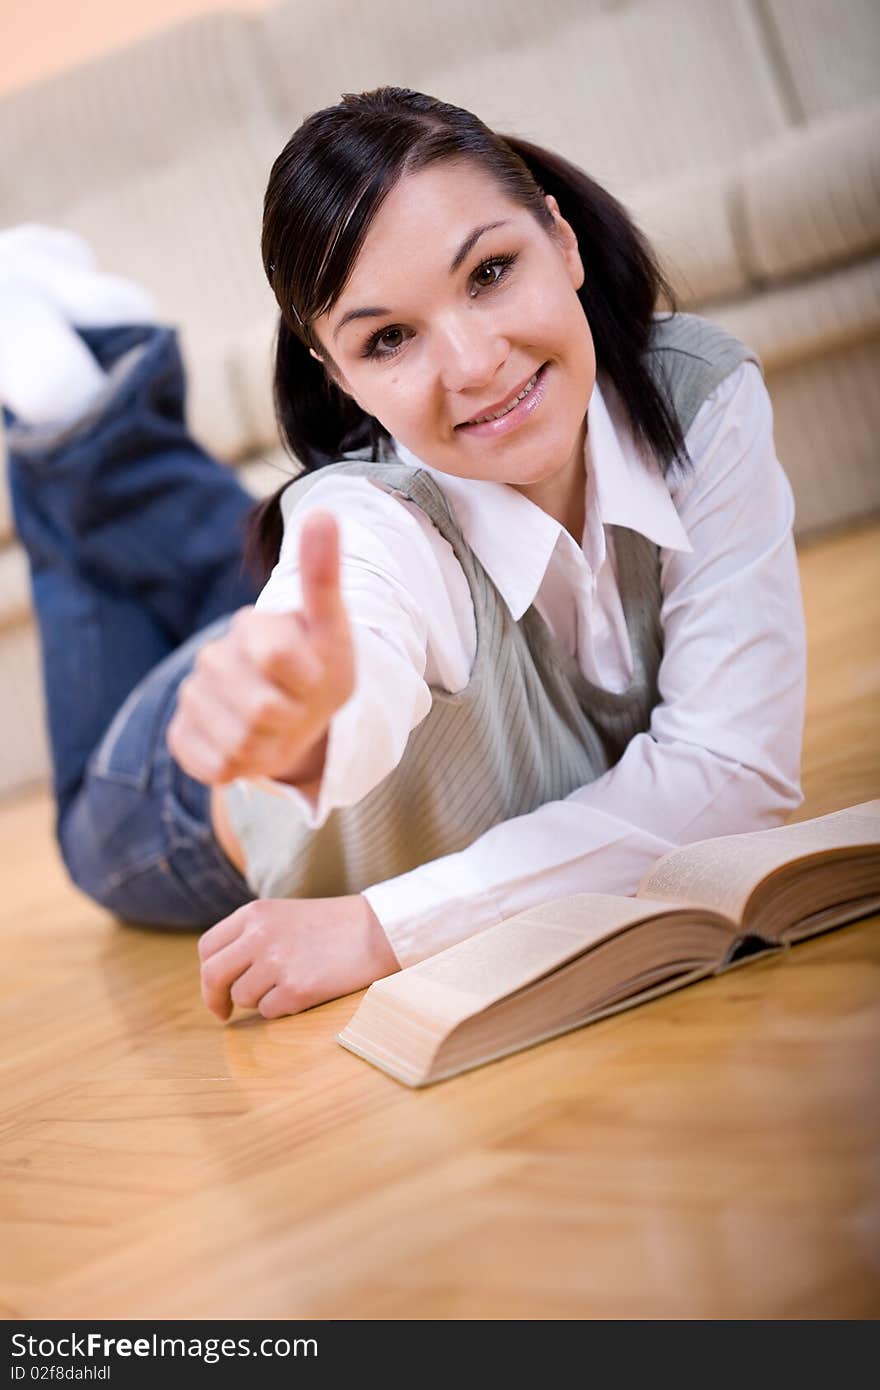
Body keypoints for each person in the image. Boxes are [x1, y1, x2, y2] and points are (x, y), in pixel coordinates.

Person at [1, 87, 806, 1025]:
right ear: (337, 376)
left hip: (295, 624)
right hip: (180, 785)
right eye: (389, 339)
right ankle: (63, 417)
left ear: (563, 240)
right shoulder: (374, 528)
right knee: (80, 774)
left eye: (491, 272)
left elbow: (733, 772)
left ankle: (99, 378)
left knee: (258, 566)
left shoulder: (701, 398)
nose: (473, 363)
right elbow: (358, 638)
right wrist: (309, 731)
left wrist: (383, 927)